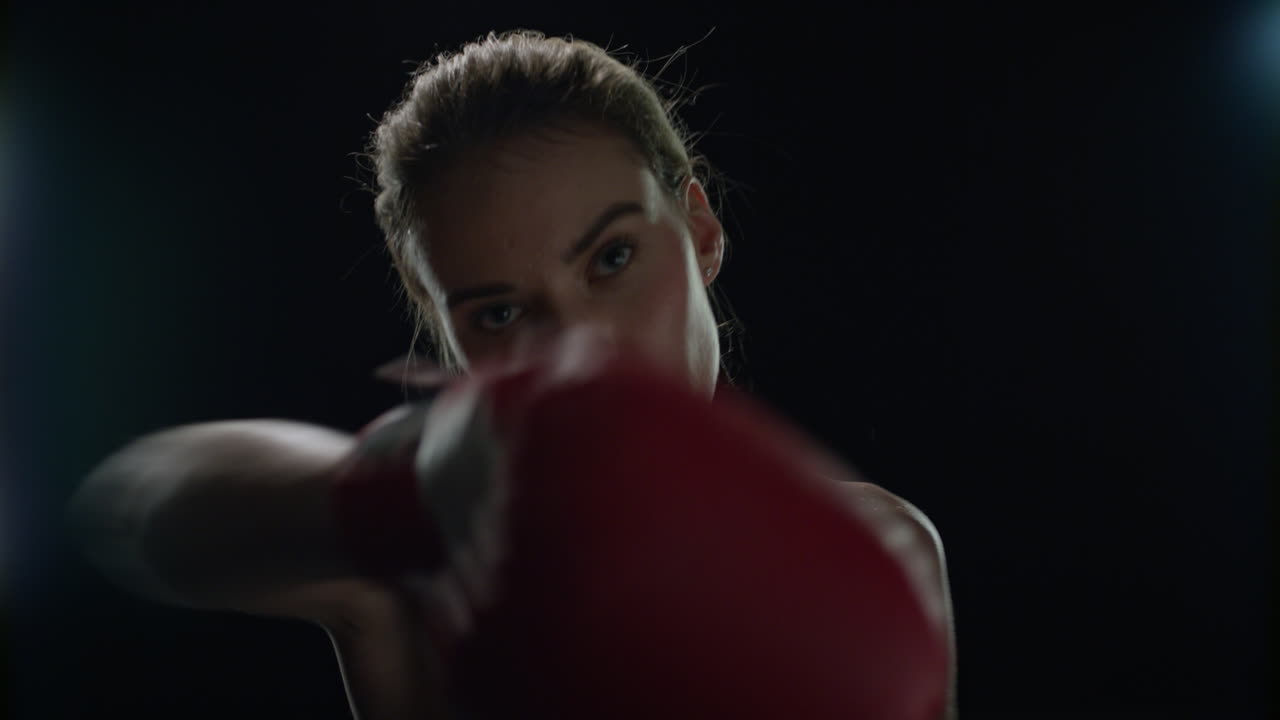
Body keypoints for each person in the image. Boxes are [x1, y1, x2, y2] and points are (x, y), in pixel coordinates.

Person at [66, 30, 957, 719]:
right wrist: (391, 495)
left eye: (611, 258)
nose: (579, 348)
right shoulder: (419, 569)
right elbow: (133, 505)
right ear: (445, 329)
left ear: (700, 230)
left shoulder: (884, 545)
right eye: (499, 312)